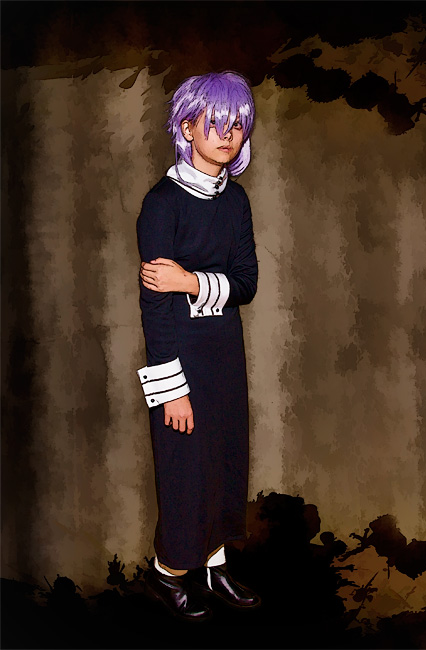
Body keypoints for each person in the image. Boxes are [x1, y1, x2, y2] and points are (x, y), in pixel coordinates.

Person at [136, 70, 261, 622]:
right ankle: (167, 572)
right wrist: (172, 390)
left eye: (237, 125)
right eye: (216, 123)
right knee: (186, 471)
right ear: (187, 128)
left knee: (225, 463)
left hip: (225, 354)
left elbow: (248, 283)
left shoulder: (236, 202)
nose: (228, 135)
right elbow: (154, 307)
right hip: (180, 358)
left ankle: (215, 565)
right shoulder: (161, 203)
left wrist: (189, 281)